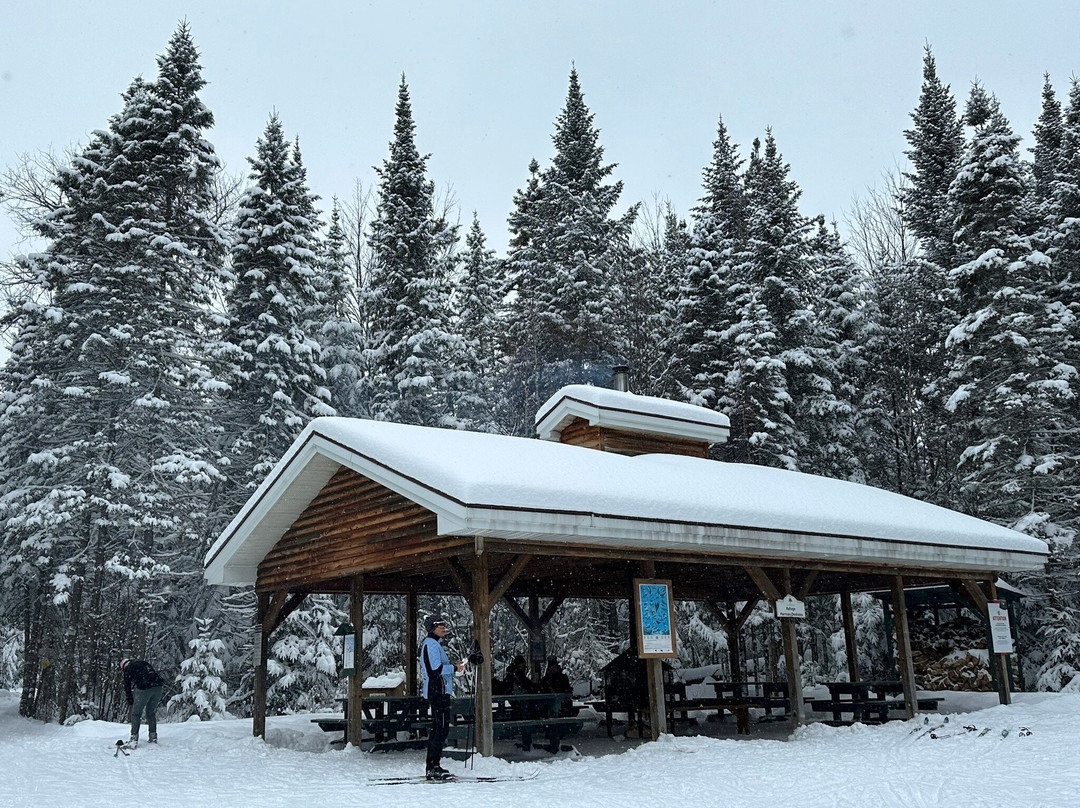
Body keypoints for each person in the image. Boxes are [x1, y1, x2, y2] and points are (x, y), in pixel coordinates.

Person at [418, 616, 463, 780]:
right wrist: (454, 668)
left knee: (440, 728)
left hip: (439, 690)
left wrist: (453, 668)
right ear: (431, 628)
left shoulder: (434, 644)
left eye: (444, 625)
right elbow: (435, 669)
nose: (443, 628)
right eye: (440, 625)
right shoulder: (430, 644)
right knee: (440, 728)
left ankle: (433, 765)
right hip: (437, 691)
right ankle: (432, 766)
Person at [121, 658, 165, 747]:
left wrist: (129, 698)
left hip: (144, 688)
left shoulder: (128, 669)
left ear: (123, 667)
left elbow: (127, 685)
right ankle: (153, 737)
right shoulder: (143, 663)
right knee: (150, 712)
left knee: (136, 714)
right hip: (158, 687)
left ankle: (133, 739)